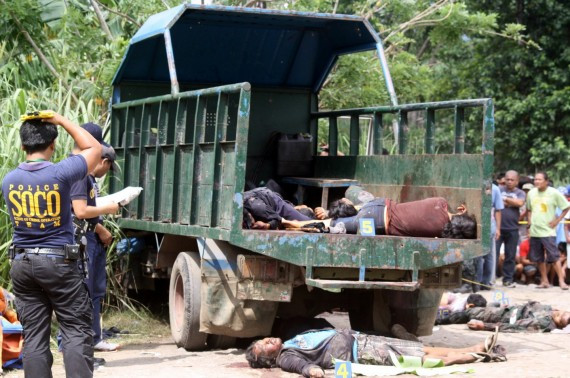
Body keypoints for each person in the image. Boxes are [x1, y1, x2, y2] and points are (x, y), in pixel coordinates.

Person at [2, 112, 102, 377]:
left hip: (22, 264)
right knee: (75, 331)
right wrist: (61, 120)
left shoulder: (9, 180)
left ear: (23, 146)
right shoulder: (61, 172)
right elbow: (95, 148)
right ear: (53, 145)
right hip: (59, 263)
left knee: (34, 336)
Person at [245, 328, 505, 377]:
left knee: (420, 347)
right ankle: (473, 357)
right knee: (420, 359)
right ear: (269, 359)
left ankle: (475, 348)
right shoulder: (286, 358)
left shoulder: (289, 342)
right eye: (265, 345)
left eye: (264, 339)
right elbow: (302, 367)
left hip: (362, 339)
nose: (268, 340)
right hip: (362, 352)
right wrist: (313, 371)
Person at [70, 123, 120, 353]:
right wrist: (107, 213)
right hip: (79, 239)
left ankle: (91, 340)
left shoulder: (83, 174)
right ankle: (75, 344)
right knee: (81, 292)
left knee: (92, 290)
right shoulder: (77, 172)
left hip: (88, 237)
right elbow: (79, 212)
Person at [319, 195, 476, 239]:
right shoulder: (440, 233)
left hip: (379, 206)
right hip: (377, 224)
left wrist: (460, 213)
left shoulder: (440, 202)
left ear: (461, 214)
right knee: (331, 225)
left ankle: (331, 210)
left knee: (354, 195)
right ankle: (325, 215)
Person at [526, 172, 570, 289]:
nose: (536, 182)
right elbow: (528, 209)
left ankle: (561, 281)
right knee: (538, 258)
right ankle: (544, 281)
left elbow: (566, 207)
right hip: (535, 230)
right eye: (535, 179)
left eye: (539, 179)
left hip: (548, 230)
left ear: (546, 181)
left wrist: (557, 220)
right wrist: (529, 223)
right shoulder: (531, 193)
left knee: (554, 256)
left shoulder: (554, 193)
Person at [443, 301, 570, 333]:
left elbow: (515, 327)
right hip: (508, 309)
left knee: (470, 312)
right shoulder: (553, 310)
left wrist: (484, 326)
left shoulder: (545, 323)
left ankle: (439, 319)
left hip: (504, 316)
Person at [495, 170, 526, 288]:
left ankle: (507, 279)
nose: (509, 182)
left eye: (512, 180)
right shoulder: (498, 190)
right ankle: (490, 278)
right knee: (494, 254)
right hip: (498, 228)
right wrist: (510, 202)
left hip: (512, 228)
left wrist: (505, 200)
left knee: (510, 255)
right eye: (507, 179)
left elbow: (519, 203)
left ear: (517, 181)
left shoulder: (520, 192)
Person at [242, 187, 314, 230]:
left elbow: (278, 219)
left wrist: (267, 225)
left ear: (250, 215)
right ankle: (294, 207)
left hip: (274, 202)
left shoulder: (258, 208)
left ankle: (308, 211)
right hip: (261, 197)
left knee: (308, 222)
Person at [476, 183, 504, 290]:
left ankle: (479, 282)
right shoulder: (495, 188)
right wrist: (497, 228)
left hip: (484, 224)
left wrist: (497, 228)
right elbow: (498, 210)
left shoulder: (493, 189)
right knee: (488, 255)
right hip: (487, 224)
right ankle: (485, 282)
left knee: (480, 255)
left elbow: (498, 210)